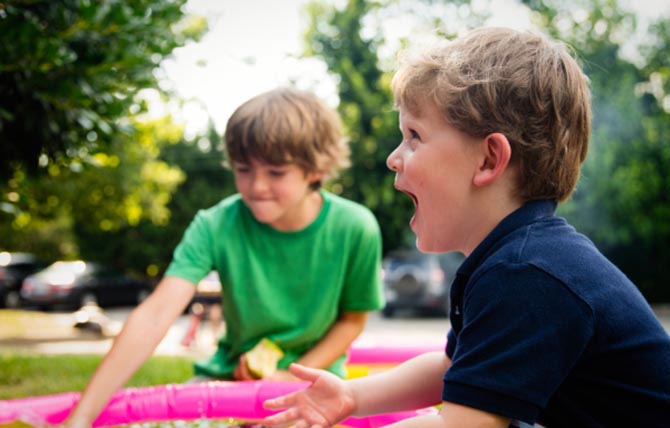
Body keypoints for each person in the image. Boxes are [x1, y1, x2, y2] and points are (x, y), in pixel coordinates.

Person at [261, 27, 670, 428]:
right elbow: (453, 368)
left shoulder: (528, 274)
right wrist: (352, 397)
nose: (392, 158)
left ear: (489, 160)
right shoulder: (515, 258)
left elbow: (462, 422)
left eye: (414, 136)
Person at [63, 87, 385, 427]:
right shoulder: (215, 224)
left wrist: (289, 376)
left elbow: (352, 320)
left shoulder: (355, 227)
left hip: (315, 381)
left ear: (316, 170)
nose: (256, 186)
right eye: (243, 169)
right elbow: (156, 313)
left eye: (276, 172)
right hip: (229, 378)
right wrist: (81, 418)